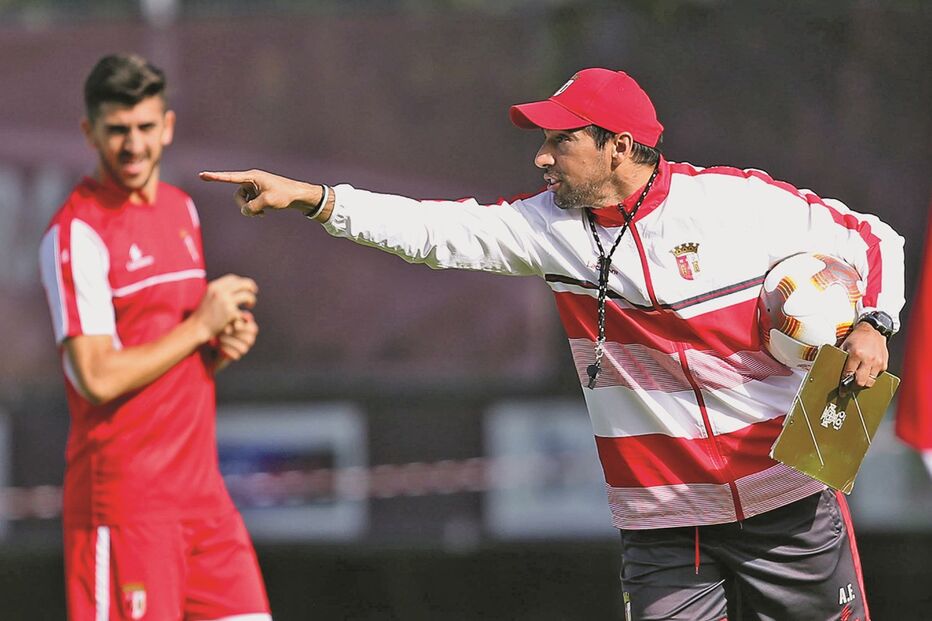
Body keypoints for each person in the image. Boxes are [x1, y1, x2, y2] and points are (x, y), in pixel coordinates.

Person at [201, 68, 904, 620]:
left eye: (559, 141)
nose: (541, 157)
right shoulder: (547, 227)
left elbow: (877, 238)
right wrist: (316, 198)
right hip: (666, 532)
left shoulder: (738, 203)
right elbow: (432, 232)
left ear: (618, 148)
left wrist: (875, 321)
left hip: (795, 505)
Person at [39, 54, 271, 621]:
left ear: (167, 125)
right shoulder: (76, 234)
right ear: (89, 132)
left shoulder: (181, 209)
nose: (134, 145)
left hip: (203, 498)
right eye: (117, 130)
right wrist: (200, 327)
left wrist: (215, 349)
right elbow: (95, 377)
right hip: (127, 509)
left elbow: (170, 352)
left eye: (145, 127)